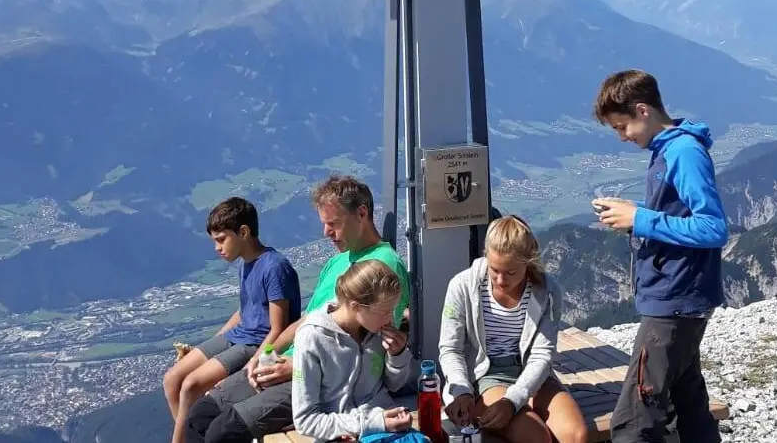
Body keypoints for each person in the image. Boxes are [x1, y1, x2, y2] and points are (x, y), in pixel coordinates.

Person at [184, 175, 412, 443]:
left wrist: (297, 365)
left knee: (224, 431)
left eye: (333, 223)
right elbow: (308, 320)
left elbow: (370, 348)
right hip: (285, 362)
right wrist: (265, 354)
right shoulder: (338, 261)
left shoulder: (384, 266)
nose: (326, 232)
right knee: (199, 416)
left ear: (361, 213)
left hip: (313, 377)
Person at [590, 69, 728, 443]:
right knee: (688, 402)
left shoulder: (683, 152)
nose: (622, 137)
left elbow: (713, 227)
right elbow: (677, 216)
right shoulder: (668, 149)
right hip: (679, 298)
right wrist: (633, 211)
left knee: (636, 416)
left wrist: (640, 219)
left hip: (675, 300)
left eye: (622, 127)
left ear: (643, 110)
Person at [439, 215, 589, 443]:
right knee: (535, 437)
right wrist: (462, 392)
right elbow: (450, 349)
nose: (500, 280)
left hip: (531, 372)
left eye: (511, 273)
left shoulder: (547, 291)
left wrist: (513, 400)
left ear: (528, 263)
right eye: (494, 269)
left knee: (576, 436)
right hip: (485, 375)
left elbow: (542, 354)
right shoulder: (462, 286)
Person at [164, 197, 302, 443]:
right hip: (238, 334)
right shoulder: (245, 264)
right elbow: (244, 310)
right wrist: (211, 343)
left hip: (255, 343)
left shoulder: (274, 267)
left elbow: (278, 328)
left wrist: (259, 361)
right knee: (172, 380)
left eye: (221, 239)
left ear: (244, 232)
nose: (217, 248)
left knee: (190, 386)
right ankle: (190, 437)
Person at [290, 259, 420, 441]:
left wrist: (397, 356)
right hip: (341, 434)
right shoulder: (313, 338)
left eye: (393, 310)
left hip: (386, 425)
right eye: (384, 311)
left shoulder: (376, 331)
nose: (391, 319)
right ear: (356, 307)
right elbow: (306, 421)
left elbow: (394, 386)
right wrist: (372, 424)